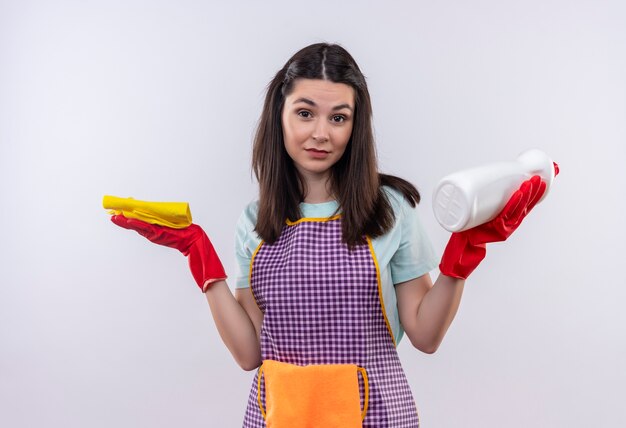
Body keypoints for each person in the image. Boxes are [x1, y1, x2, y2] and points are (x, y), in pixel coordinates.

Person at [111, 43, 547, 427]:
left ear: (355, 127)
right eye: (305, 113)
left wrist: (462, 254)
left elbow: (425, 335)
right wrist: (199, 254)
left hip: (375, 417)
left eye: (338, 117)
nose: (321, 133)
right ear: (278, 116)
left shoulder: (389, 208)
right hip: (280, 417)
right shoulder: (256, 221)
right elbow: (250, 354)